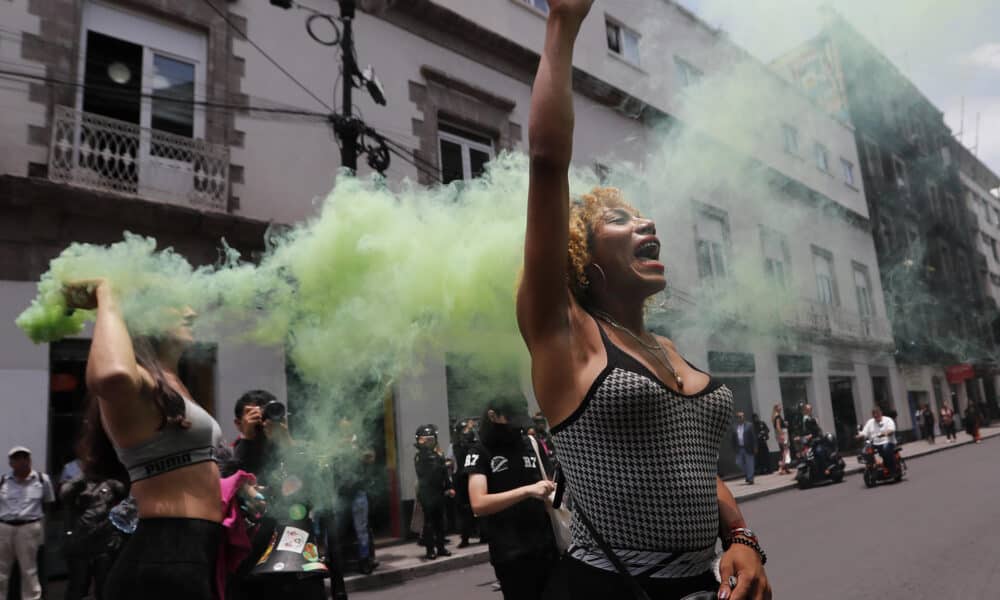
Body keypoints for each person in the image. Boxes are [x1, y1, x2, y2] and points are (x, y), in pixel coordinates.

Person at [516, 2, 770, 598]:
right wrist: (563, 24)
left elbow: (691, 472)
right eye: (619, 219)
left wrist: (742, 539)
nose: (645, 223)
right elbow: (548, 162)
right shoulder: (565, 334)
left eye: (643, 215)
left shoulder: (666, 346)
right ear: (583, 255)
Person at [64, 279, 224, 600]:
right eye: (175, 304)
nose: (190, 312)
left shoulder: (172, 383)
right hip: (163, 554)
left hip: (192, 551)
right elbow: (111, 375)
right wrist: (108, 293)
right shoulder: (139, 380)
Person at [466, 399, 558, 600]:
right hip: (511, 554)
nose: (518, 428)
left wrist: (554, 489)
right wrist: (526, 491)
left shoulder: (530, 444)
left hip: (546, 547)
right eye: (512, 420)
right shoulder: (480, 451)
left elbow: (550, 485)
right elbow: (478, 504)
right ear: (493, 416)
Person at [60, 400, 129, 600]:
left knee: (104, 587)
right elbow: (64, 495)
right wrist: (83, 479)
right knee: (77, 588)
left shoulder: (114, 476)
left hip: (106, 542)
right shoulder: (76, 473)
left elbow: (127, 499)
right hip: (80, 540)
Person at [0, 447, 55, 600]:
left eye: (24, 457)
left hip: (28, 528)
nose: (21, 461)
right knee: (1, 571)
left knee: (29, 571)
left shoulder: (42, 480)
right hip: (4, 528)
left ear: (29, 460)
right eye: (16, 458)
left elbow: (48, 503)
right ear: (11, 462)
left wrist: (33, 519)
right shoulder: (3, 480)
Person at [414, 425, 454, 560]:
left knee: (440, 521)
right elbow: (427, 473)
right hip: (426, 493)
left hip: (439, 492)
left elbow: (444, 474)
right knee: (429, 523)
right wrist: (443, 464)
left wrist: (449, 487)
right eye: (425, 440)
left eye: (431, 439)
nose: (428, 442)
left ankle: (441, 547)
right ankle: (430, 550)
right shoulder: (419, 456)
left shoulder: (438, 454)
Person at [451, 419, 479, 548]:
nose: (466, 433)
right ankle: (466, 537)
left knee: (477, 508)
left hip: (474, 477)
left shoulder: (476, 446)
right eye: (464, 431)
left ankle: (481, 534)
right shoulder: (456, 446)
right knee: (464, 511)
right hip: (462, 480)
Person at [857, 407, 897, 475]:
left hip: (887, 442)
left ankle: (892, 469)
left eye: (877, 414)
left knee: (886, 448)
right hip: (875, 443)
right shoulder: (870, 422)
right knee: (865, 450)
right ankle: (871, 466)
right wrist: (859, 436)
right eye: (874, 414)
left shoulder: (888, 420)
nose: (876, 416)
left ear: (881, 413)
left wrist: (886, 433)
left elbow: (892, 429)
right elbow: (865, 432)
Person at [731, 413, 757, 485]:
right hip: (739, 448)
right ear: (737, 418)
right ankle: (748, 474)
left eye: (742, 416)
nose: (741, 418)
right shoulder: (734, 427)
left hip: (748, 447)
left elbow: (753, 437)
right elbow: (733, 439)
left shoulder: (749, 425)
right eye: (739, 417)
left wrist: (755, 447)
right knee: (739, 463)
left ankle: (750, 479)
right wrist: (734, 448)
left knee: (750, 463)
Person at [771, 405, 791, 475]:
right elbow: (778, 426)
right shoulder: (777, 417)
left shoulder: (775, 416)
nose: (781, 408)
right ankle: (782, 467)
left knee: (783, 450)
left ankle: (785, 468)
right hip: (782, 433)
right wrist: (782, 435)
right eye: (779, 407)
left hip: (779, 434)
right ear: (776, 408)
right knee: (785, 451)